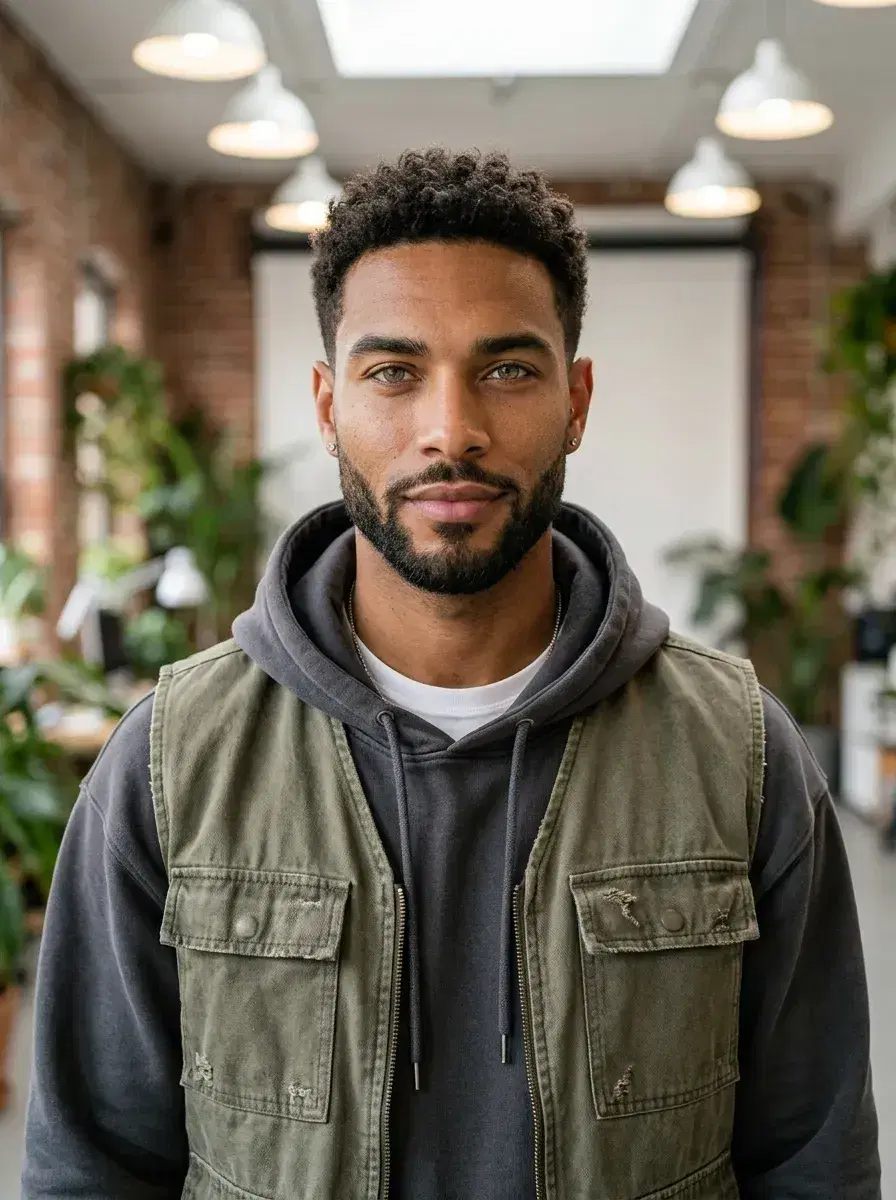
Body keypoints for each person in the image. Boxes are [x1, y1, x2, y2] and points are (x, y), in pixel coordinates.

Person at [24, 149, 879, 1200]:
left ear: (575, 399)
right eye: (393, 372)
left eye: (506, 369)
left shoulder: (738, 753)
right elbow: (91, 1166)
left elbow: (812, 1160)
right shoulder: (167, 762)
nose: (451, 430)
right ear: (328, 404)